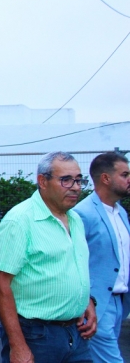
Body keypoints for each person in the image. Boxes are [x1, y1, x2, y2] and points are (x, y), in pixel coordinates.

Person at [0, 151, 96, 363]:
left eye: (78, 180)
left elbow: (72, 268)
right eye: (66, 180)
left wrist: (87, 302)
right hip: (36, 335)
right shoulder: (20, 221)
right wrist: (18, 345)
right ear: (43, 181)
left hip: (76, 334)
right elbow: (0, 284)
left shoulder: (75, 219)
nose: (76, 187)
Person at [73, 152, 130, 363]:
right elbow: (73, 260)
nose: (129, 179)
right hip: (97, 305)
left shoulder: (120, 212)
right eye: (124, 174)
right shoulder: (83, 213)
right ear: (106, 178)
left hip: (119, 303)